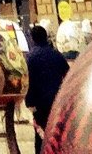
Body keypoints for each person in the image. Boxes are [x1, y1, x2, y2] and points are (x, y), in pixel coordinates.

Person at [24, 23, 69, 154]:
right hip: (56, 101)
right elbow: (68, 73)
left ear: (32, 39)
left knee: (40, 134)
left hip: (39, 103)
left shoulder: (29, 58)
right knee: (56, 130)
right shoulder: (56, 54)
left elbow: (28, 82)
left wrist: (29, 102)